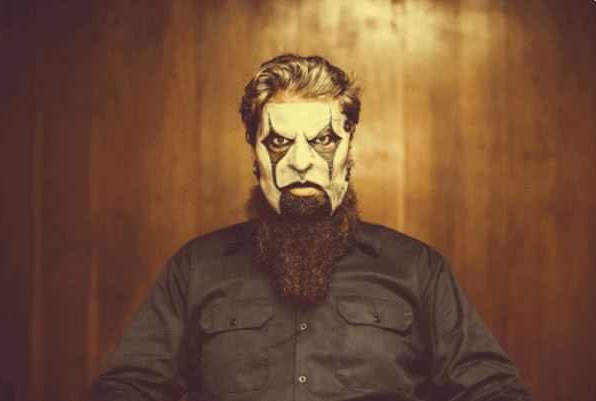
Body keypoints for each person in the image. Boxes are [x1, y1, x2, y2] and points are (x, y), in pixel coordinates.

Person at [88, 54, 533, 401]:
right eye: (279, 142)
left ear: (349, 151)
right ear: (254, 154)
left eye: (322, 140)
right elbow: (127, 387)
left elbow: (493, 389)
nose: (300, 162)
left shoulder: (417, 268)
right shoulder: (196, 269)